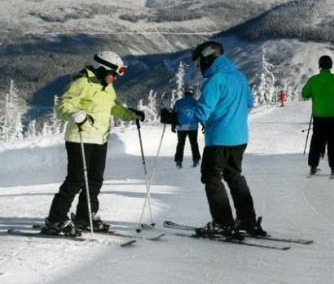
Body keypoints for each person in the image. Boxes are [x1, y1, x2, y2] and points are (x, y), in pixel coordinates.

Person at [160, 41, 265, 237]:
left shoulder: (215, 80)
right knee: (235, 177)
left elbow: (201, 113)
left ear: (208, 58)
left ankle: (223, 223)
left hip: (219, 140)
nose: (198, 66)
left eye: (199, 61)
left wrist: (175, 116)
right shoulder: (239, 76)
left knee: (211, 178)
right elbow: (249, 102)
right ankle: (247, 221)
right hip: (240, 138)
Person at [42, 51, 144, 236]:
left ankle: (84, 217)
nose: (115, 77)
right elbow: (62, 106)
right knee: (76, 180)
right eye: (113, 73)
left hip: (100, 139)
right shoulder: (81, 83)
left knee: (95, 180)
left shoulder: (107, 86)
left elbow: (112, 105)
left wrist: (130, 114)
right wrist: (74, 114)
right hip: (79, 137)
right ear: (101, 69)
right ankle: (55, 220)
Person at [303, 55, 334, 176]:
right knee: (333, 141)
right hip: (332, 116)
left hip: (318, 116)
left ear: (319, 65)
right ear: (330, 65)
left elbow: (304, 94)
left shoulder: (313, 80)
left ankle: (313, 166)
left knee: (316, 141)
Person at [172, 86, 201, 169]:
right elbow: (199, 114)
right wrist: (203, 125)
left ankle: (178, 161)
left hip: (181, 126)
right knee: (194, 143)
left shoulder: (179, 102)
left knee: (180, 144)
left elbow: (174, 115)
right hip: (193, 126)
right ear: (192, 94)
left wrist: (173, 126)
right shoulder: (196, 103)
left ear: (185, 93)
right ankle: (196, 160)